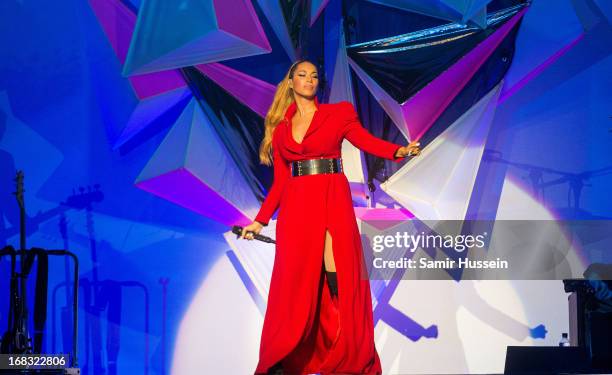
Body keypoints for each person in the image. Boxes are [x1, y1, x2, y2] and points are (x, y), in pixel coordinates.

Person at [241, 59, 420, 375]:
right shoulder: (281, 130)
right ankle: (284, 357)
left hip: (331, 199)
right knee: (293, 284)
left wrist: (398, 151)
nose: (309, 80)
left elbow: (365, 141)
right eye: (302, 75)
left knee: (337, 270)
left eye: (313, 76)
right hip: (297, 207)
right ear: (291, 81)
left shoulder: (338, 114)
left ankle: (345, 346)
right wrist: (260, 220)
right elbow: (280, 182)